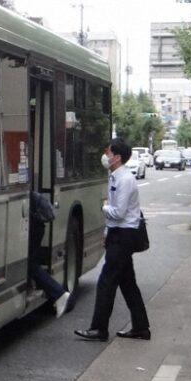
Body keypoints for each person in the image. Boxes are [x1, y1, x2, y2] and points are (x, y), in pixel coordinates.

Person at [75, 138, 150, 342]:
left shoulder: (125, 179)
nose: (105, 156)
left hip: (124, 235)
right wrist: (107, 233)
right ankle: (141, 327)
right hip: (118, 233)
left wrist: (103, 207)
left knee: (106, 282)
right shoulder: (115, 176)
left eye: (107, 153)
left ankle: (99, 328)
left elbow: (118, 212)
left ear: (117, 157)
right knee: (127, 283)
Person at [29, 189, 70, 318]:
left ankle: (59, 293)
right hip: (37, 226)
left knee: (31, 265)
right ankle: (56, 293)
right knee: (32, 263)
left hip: (33, 227)